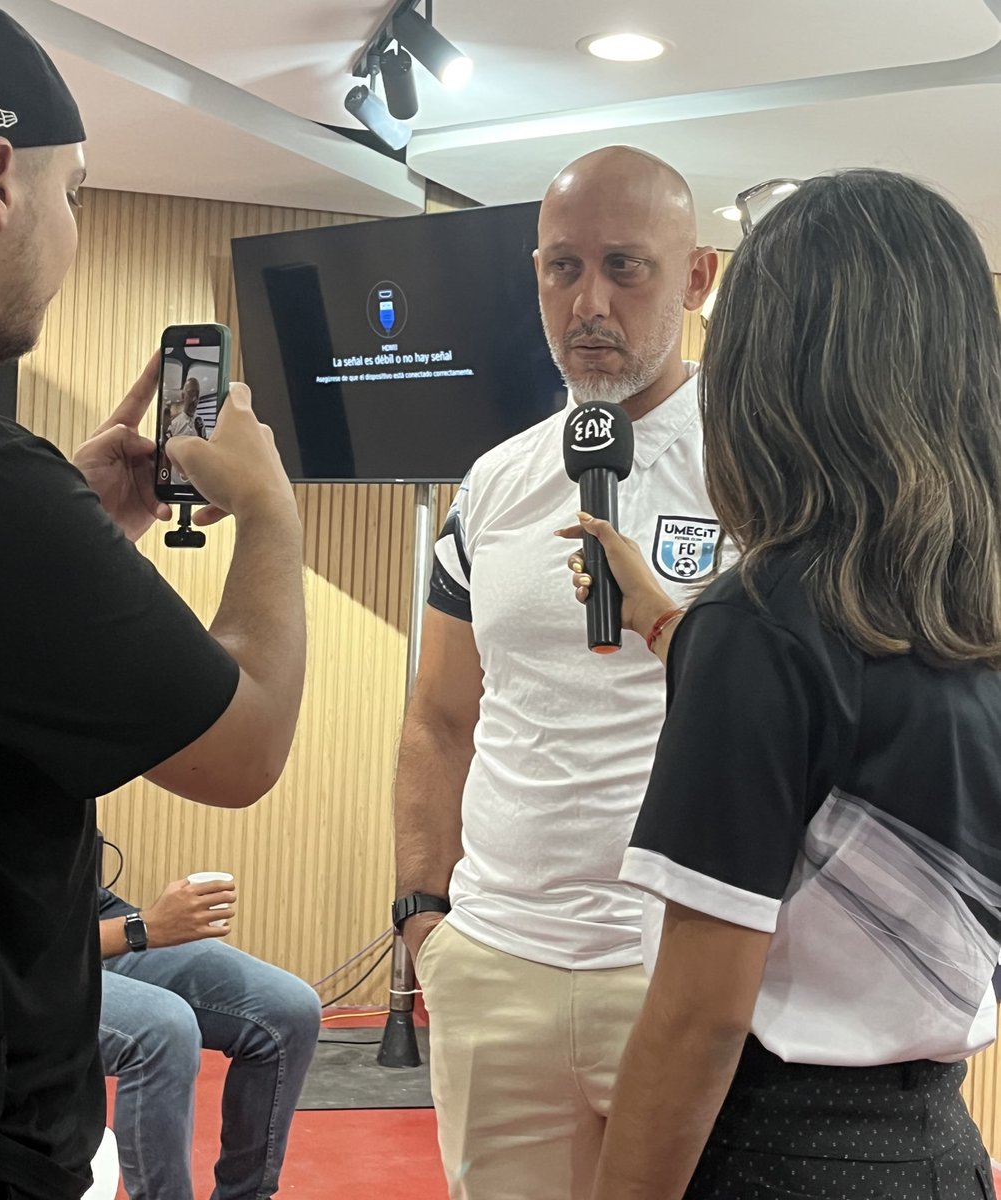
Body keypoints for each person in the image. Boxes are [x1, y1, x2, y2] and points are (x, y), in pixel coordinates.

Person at [0, 2, 306, 1197]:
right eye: (78, 193)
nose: (72, 228)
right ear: (0, 175)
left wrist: (72, 533)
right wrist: (272, 516)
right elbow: (244, 746)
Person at [560, 169, 1001, 1199]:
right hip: (940, 1147)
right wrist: (677, 628)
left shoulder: (761, 621)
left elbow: (698, 1019)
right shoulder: (960, 610)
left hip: (782, 1153)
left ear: (770, 365)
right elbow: (855, 750)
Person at [392, 145, 719, 1200]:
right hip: (494, 967)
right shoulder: (492, 481)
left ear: (697, 278)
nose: (589, 301)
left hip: (680, 972)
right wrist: (423, 917)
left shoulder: (765, 461)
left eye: (626, 268)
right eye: (561, 267)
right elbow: (441, 715)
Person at [97, 878, 321, 1200]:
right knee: (164, 1030)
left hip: (90, 916)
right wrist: (141, 928)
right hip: (22, 959)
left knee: (290, 1010)